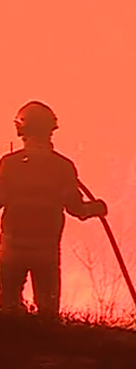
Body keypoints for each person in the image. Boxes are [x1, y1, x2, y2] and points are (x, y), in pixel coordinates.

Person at [0, 101, 108, 320]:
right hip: (46, 249)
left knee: (6, 310)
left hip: (11, 247)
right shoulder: (62, 167)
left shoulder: (9, 164)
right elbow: (77, 209)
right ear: (50, 130)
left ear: (21, 128)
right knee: (48, 315)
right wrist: (97, 208)